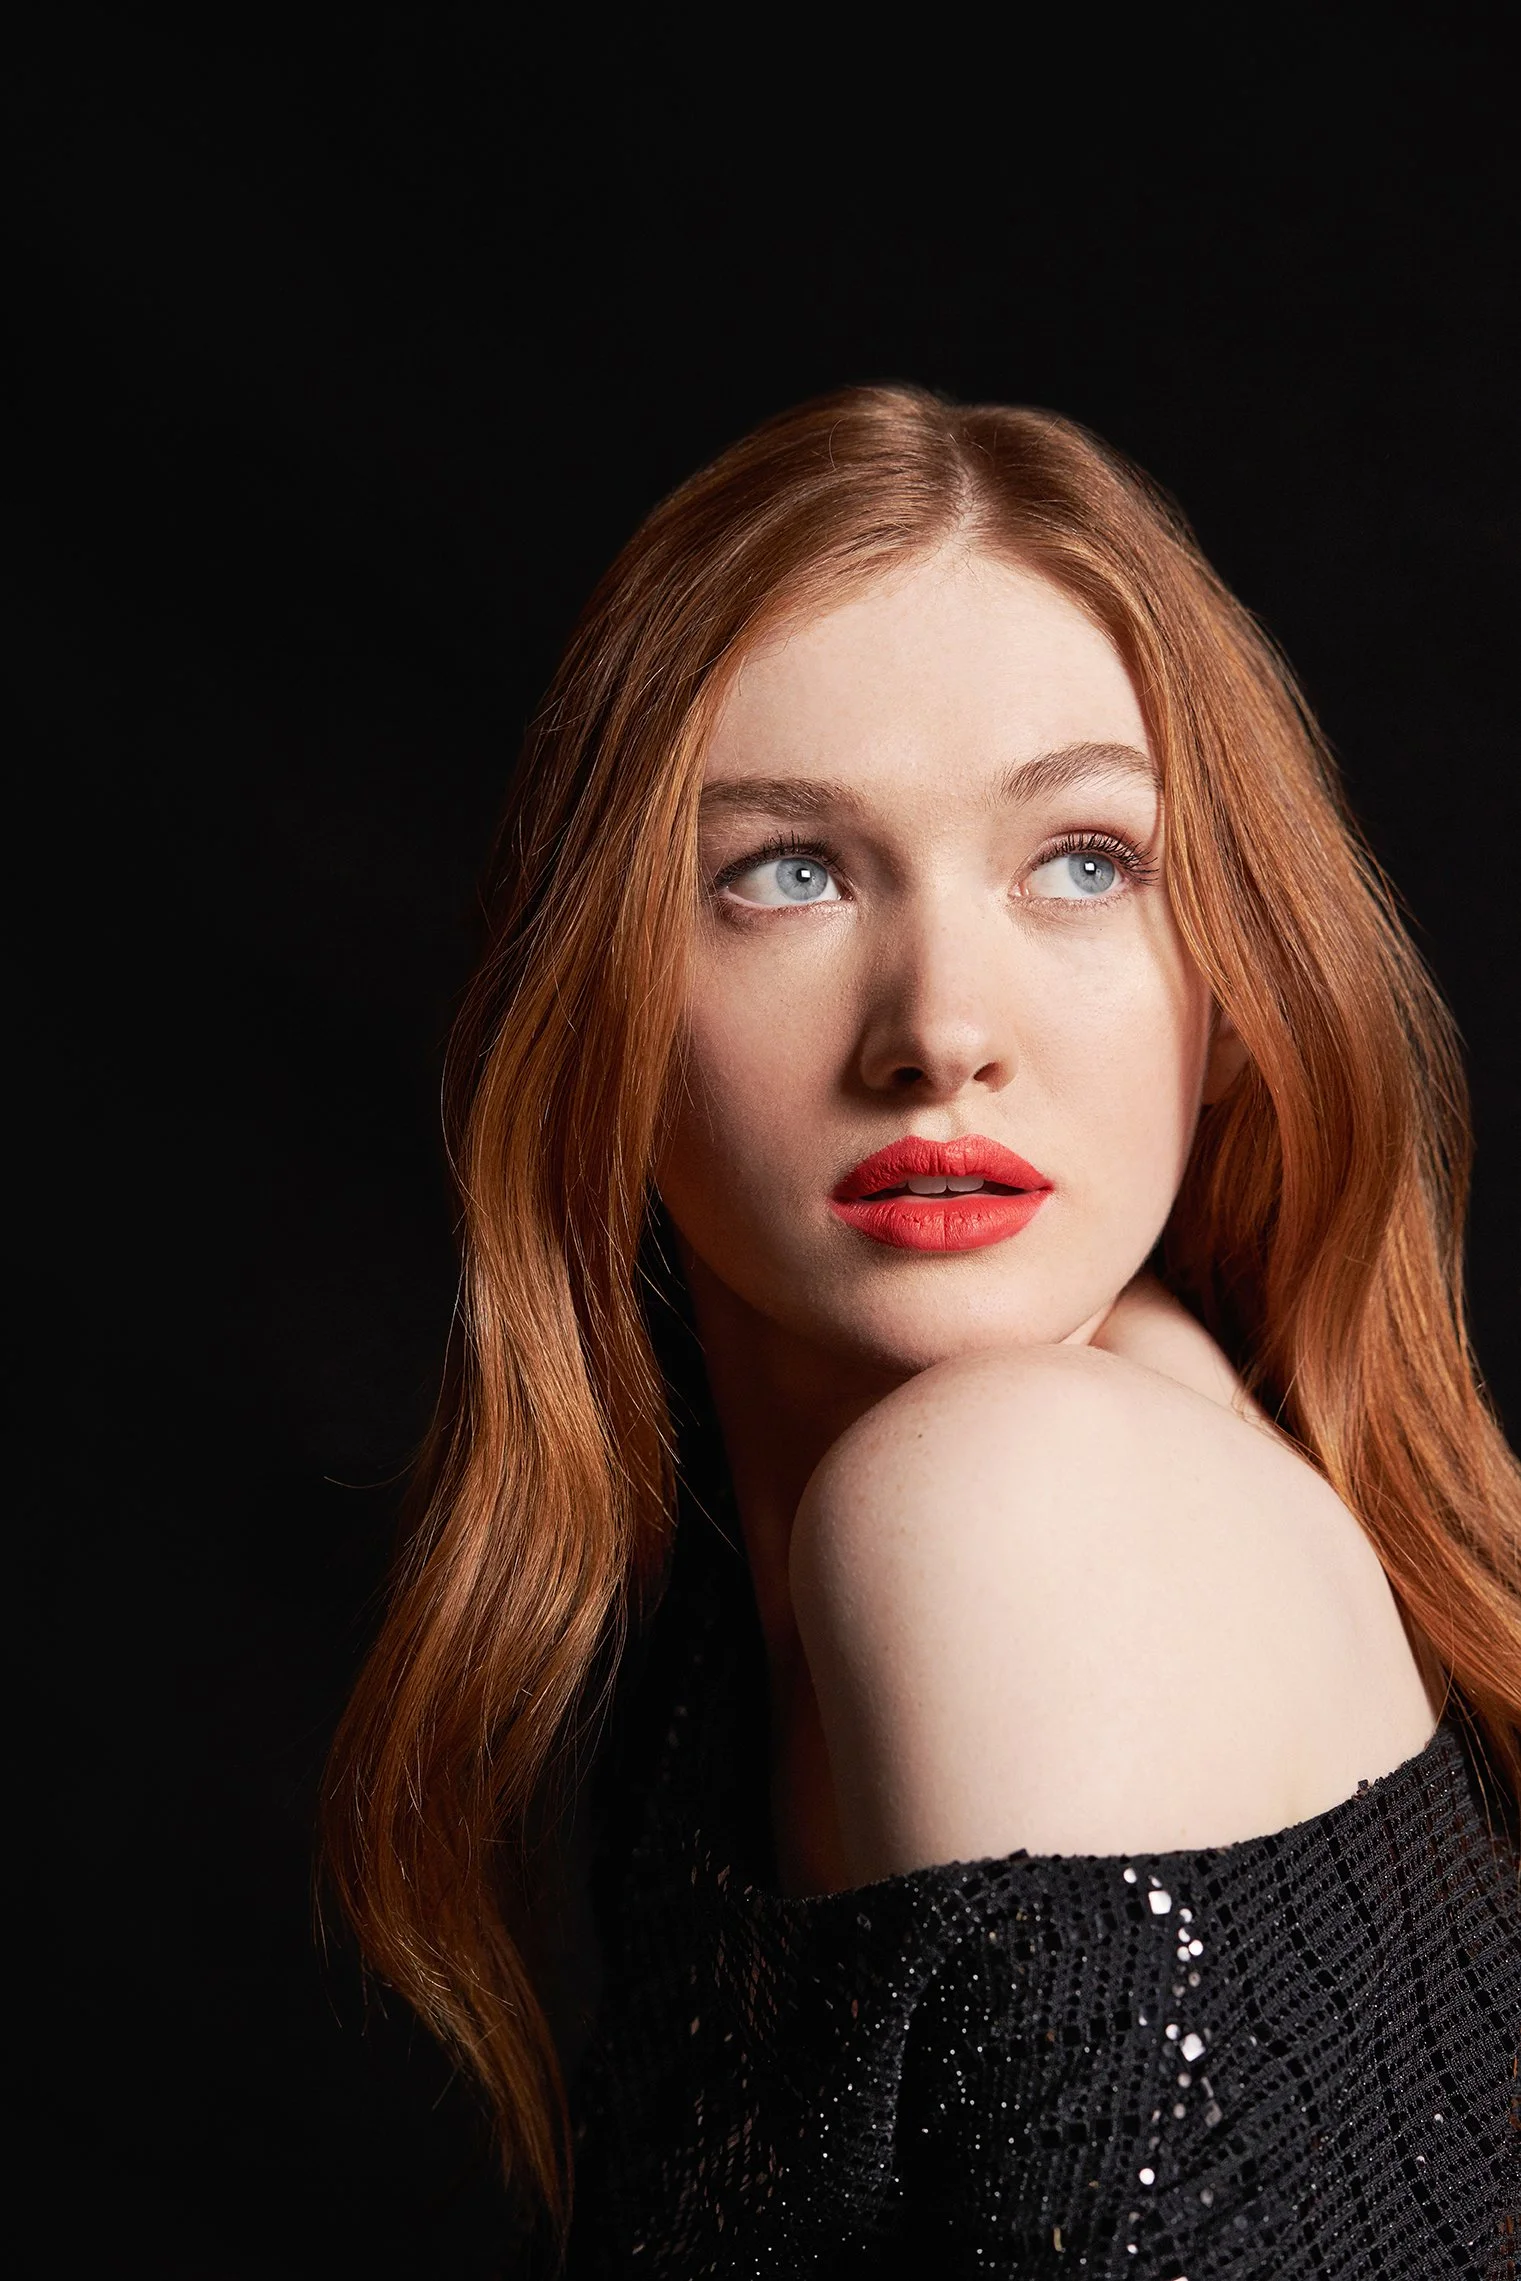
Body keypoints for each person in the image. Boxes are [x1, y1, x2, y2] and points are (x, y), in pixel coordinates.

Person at [324, 387, 1521, 2276]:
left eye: (1083, 860)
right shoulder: (731, 1610)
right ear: (605, 1010)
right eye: (785, 871)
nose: (940, 1024)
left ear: (1240, 974)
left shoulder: (1019, 1501)